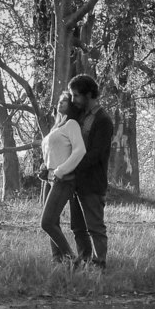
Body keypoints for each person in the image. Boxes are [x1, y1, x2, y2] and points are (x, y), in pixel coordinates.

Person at [66, 74, 114, 271]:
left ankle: (99, 264)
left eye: (76, 95)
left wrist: (72, 165)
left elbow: (96, 154)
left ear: (88, 94)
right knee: (77, 226)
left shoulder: (103, 120)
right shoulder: (79, 115)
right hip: (75, 179)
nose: (73, 100)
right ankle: (83, 259)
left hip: (93, 181)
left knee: (94, 226)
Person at [39, 92, 86, 264]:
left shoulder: (71, 124)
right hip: (49, 179)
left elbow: (80, 150)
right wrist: (45, 167)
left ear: (72, 105)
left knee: (47, 222)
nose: (60, 103)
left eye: (65, 101)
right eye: (59, 101)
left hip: (64, 179)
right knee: (54, 222)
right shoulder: (56, 127)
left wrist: (61, 170)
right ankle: (56, 261)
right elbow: (51, 153)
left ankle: (72, 258)